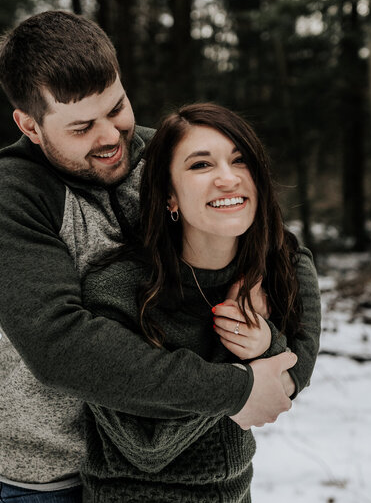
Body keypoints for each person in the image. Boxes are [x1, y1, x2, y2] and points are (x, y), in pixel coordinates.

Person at [0, 10, 321, 503]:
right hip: (49, 473)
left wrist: (285, 375)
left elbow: (283, 248)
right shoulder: (8, 194)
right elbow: (60, 345)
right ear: (29, 125)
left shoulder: (161, 155)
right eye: (82, 126)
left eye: (117, 107)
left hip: (161, 473)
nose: (110, 136)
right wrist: (233, 390)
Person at [80, 103, 317, 502]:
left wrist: (265, 343)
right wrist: (237, 353)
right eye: (201, 165)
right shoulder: (116, 288)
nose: (227, 178)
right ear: (170, 195)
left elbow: (292, 379)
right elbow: (146, 447)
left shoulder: (283, 264)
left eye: (239, 160)